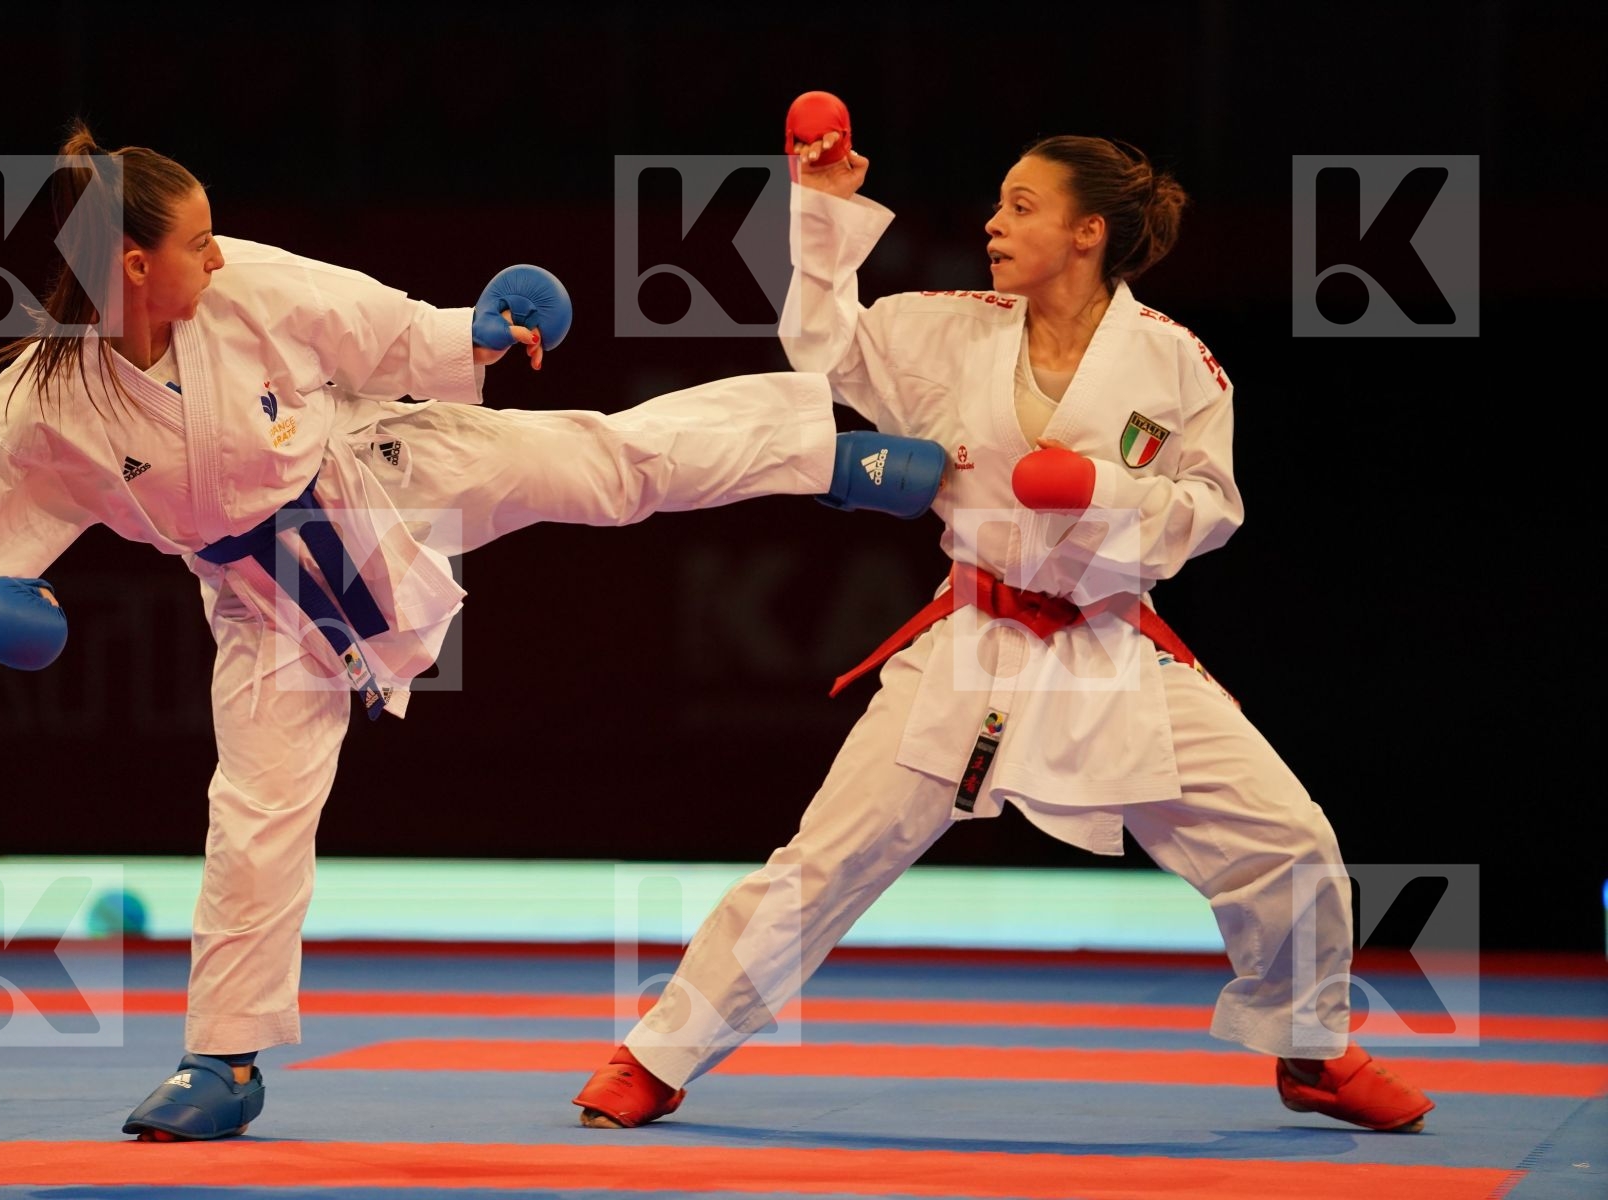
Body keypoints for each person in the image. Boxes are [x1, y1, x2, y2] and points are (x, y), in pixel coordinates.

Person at [0, 121, 943, 1141]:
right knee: (255, 815)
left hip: (377, 472)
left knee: (602, 465)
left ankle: (833, 460)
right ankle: (223, 1060)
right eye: (196, 240)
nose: (217, 252)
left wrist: (470, 331)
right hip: (264, 596)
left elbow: (369, 327)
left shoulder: (245, 286)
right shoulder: (47, 398)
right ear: (133, 263)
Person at [572, 132, 1437, 1135]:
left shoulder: (1177, 363)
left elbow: (1212, 510)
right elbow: (828, 348)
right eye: (997, 203)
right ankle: (659, 1054)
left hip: (1111, 647)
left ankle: (1312, 1048)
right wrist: (819, 210)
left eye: (1022, 206)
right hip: (973, 643)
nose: (994, 222)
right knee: (826, 861)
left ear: (1088, 232)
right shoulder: (952, 332)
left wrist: (1100, 490)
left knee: (1290, 841)